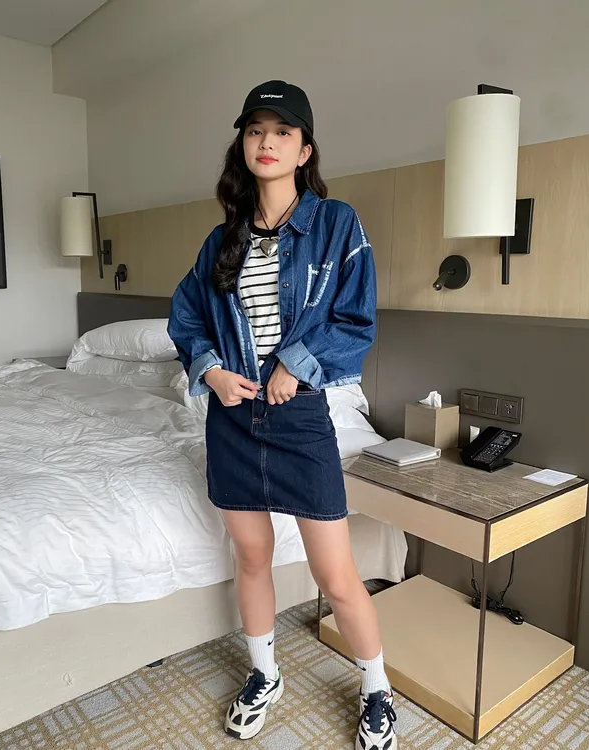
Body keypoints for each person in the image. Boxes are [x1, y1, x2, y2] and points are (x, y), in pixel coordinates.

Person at [168, 80, 397, 750]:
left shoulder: (336, 224)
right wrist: (211, 370)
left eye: (282, 132)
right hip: (231, 421)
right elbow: (186, 318)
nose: (266, 142)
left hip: (299, 421)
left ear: (304, 150)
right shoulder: (221, 240)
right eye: (255, 131)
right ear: (243, 145)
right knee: (252, 557)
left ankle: (377, 689)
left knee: (336, 575)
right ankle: (265, 673)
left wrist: (295, 364)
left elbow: (355, 318)